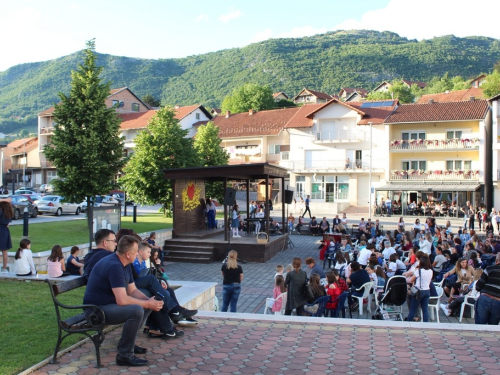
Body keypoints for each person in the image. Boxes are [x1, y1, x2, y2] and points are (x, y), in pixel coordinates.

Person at [83, 235, 163, 367]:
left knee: (145, 304)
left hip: (108, 306)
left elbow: (132, 290)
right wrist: (147, 303)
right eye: (136, 251)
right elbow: (122, 300)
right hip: (96, 311)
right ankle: (124, 355)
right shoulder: (114, 265)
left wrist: (149, 301)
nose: (137, 253)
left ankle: (127, 344)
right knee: (137, 310)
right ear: (128, 254)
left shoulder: (124, 263)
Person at [406, 255, 433, 322]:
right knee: (425, 310)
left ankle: (408, 323)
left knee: (413, 309)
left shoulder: (419, 271)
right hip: (427, 291)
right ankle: (425, 324)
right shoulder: (430, 271)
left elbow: (411, 280)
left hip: (419, 291)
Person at [475, 253, 500, 325]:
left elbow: (478, 287)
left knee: (479, 326)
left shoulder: (489, 269)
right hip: (499, 302)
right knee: (493, 328)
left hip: (485, 298)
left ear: (496, 260)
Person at [0, 199, 13, 272]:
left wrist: (4, 199)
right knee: (4, 250)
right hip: (5, 230)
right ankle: (4, 268)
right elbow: (8, 224)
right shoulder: (8, 213)